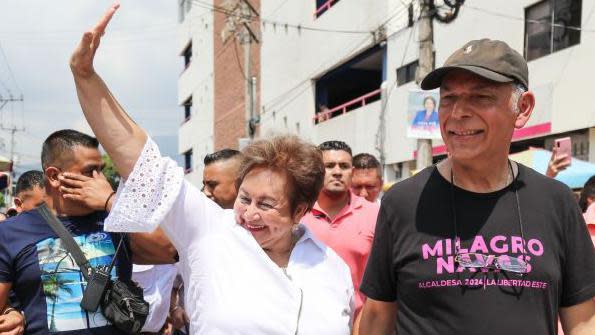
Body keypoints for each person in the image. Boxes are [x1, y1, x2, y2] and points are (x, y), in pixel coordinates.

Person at [69, 5, 354, 334]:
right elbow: (143, 162)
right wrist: (86, 77)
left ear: (300, 211)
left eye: (265, 204)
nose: (248, 213)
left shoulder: (331, 266)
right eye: (244, 198)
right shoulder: (210, 232)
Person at [359, 39, 595, 334]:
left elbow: (584, 322)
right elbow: (378, 317)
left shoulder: (556, 202)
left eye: (480, 97)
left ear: (522, 108)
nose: (458, 113)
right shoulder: (403, 203)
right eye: (448, 98)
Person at [0, 129, 176, 334]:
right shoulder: (11, 232)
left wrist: (111, 201)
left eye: (100, 170)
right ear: (54, 176)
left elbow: (168, 251)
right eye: (89, 171)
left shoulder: (115, 222)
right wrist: (12, 312)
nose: (100, 180)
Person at [302, 141, 379, 317]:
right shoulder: (297, 213)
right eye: (329, 166)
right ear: (316, 171)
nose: (337, 172)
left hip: (359, 323)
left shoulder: (374, 214)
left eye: (343, 166)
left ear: (352, 172)